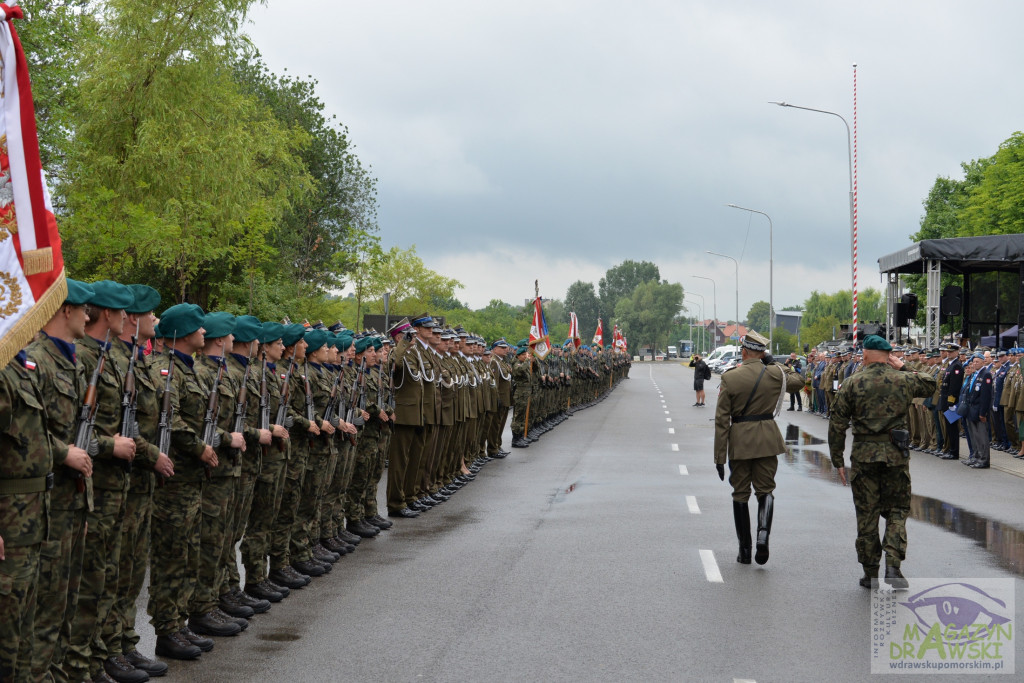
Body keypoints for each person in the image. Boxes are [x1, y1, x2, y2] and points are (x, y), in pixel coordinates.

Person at [827, 335, 936, 589]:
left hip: (864, 457)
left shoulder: (852, 383)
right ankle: (893, 566)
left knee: (867, 513)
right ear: (888, 356)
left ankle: (870, 572)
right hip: (895, 456)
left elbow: (837, 424)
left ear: (864, 356)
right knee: (897, 510)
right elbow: (930, 385)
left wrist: (838, 461)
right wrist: (904, 367)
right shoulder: (904, 379)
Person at [713, 331, 802, 566]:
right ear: (762, 353)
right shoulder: (774, 373)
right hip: (767, 439)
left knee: (740, 493)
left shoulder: (730, 377)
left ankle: (745, 550)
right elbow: (798, 382)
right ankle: (764, 535)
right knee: (766, 490)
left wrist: (719, 457)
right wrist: (776, 364)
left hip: (740, 440)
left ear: (743, 351)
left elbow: (722, 420)